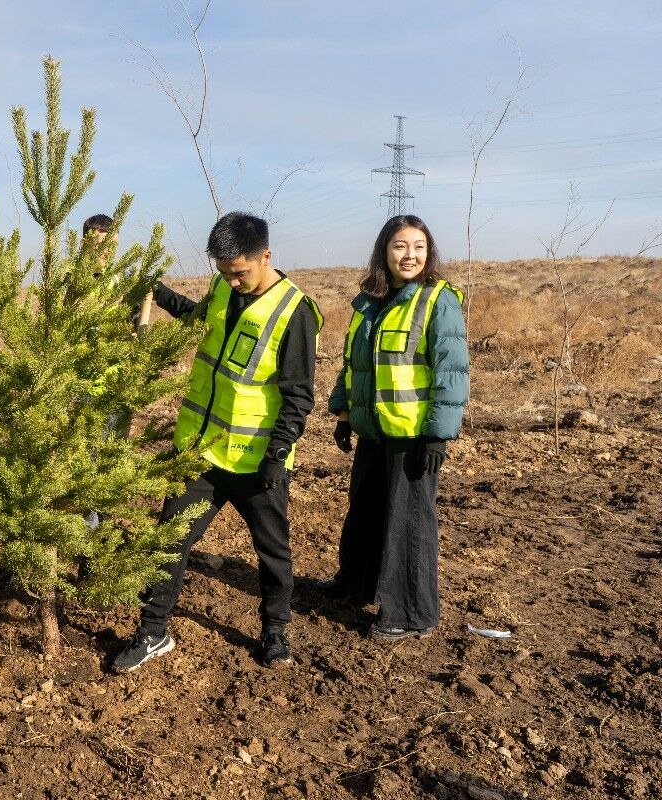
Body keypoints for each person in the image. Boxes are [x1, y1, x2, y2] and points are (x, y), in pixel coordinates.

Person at [113, 212, 322, 672]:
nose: (233, 281)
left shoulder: (294, 312)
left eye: (240, 272)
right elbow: (198, 320)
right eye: (225, 273)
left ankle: (275, 631)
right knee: (168, 540)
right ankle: (153, 632)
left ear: (265, 256)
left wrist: (279, 453)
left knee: (273, 553)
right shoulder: (226, 289)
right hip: (201, 453)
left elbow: (298, 394)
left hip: (257, 461)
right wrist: (159, 292)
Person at [320, 215, 469, 642]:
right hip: (373, 428)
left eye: (419, 246)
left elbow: (452, 370)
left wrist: (439, 431)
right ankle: (355, 585)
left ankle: (410, 612)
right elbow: (355, 363)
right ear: (384, 250)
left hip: (414, 435)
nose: (410, 255)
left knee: (409, 522)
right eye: (401, 246)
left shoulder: (438, 299)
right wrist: (345, 413)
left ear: (430, 252)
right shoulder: (371, 300)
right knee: (364, 509)